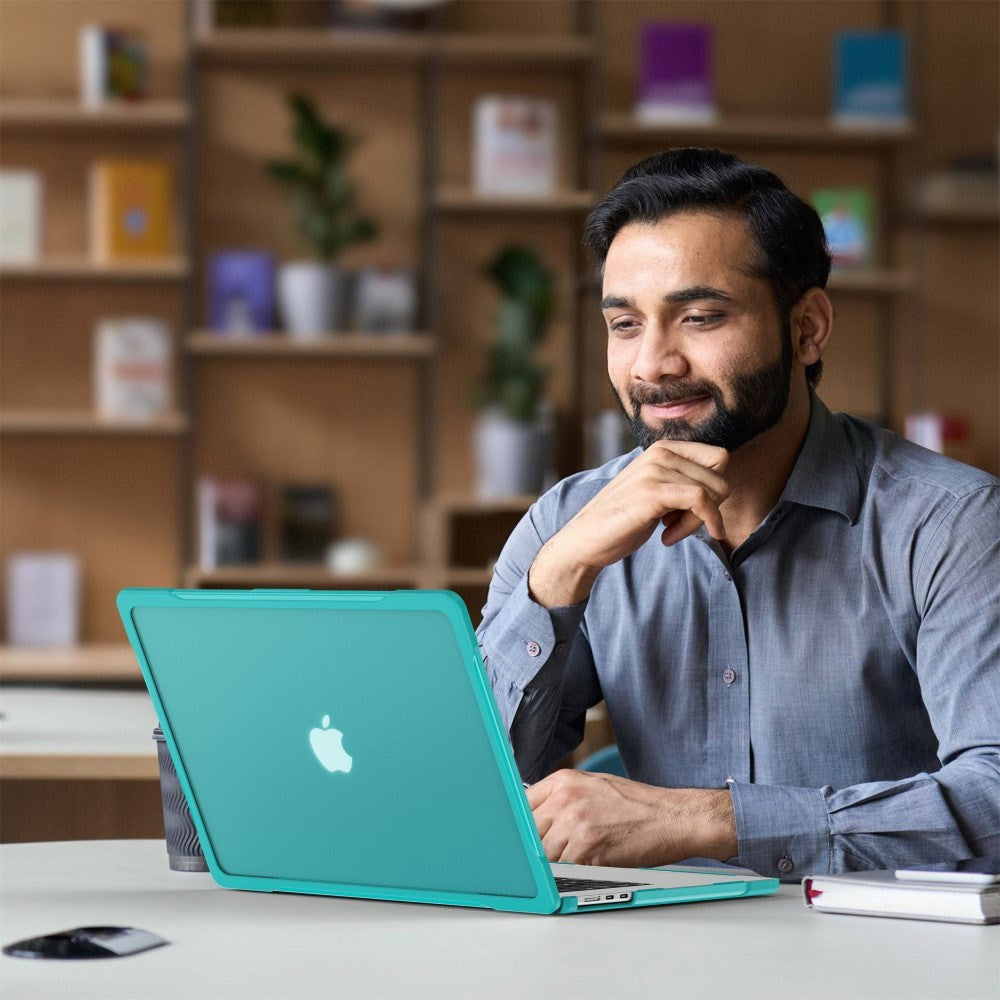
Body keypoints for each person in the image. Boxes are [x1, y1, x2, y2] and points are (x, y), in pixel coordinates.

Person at [476, 147, 1000, 882]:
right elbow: (470, 795)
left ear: (807, 328)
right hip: (642, 944)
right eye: (625, 324)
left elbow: (994, 795)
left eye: (699, 317)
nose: (652, 364)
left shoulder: (952, 525)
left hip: (880, 943)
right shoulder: (565, 523)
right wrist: (558, 576)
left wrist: (713, 821)